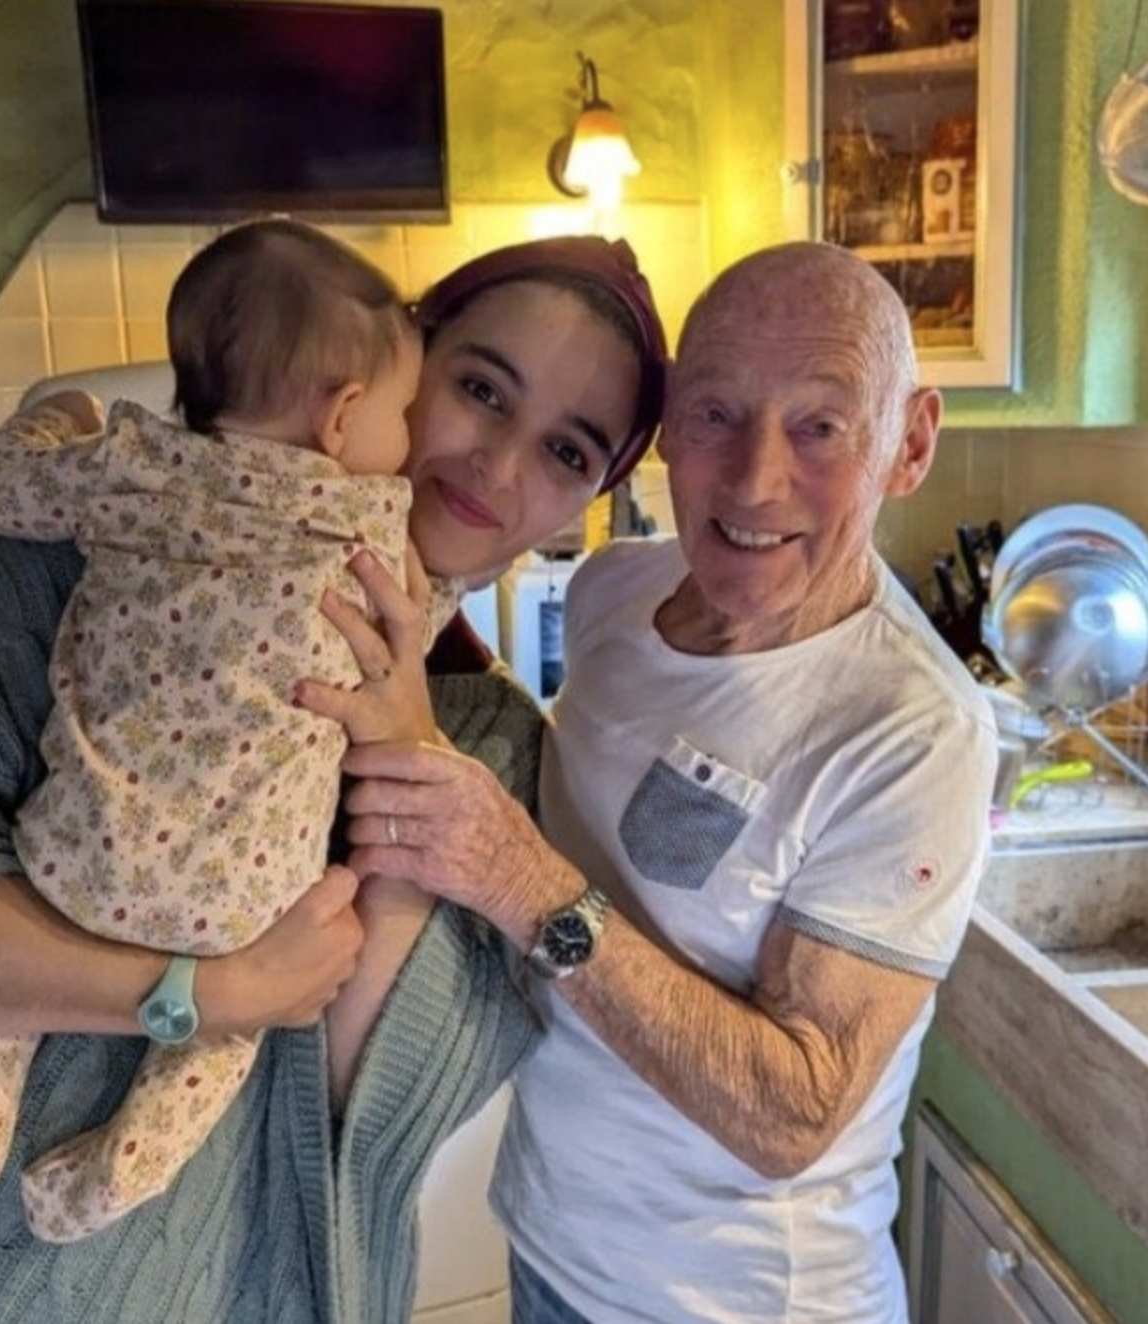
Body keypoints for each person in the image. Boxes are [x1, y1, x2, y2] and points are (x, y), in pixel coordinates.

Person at [0, 234, 667, 1324]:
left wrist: (406, 761)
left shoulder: (493, 751)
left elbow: (357, 1111)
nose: (499, 464)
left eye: (567, 451)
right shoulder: (103, 553)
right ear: (384, 375)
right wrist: (202, 995)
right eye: (481, 389)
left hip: (191, 1280)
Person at [332, 242, 999, 1324]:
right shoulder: (613, 592)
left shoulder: (913, 731)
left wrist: (518, 878)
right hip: (550, 1249)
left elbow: (792, 1114)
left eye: (820, 427)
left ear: (909, 442)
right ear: (668, 430)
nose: (753, 480)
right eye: (714, 414)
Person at [0, 219, 455, 1247]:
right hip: (246, 903)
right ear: (341, 417)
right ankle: (113, 1175)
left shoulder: (129, 467)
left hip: (80, 858)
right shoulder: (368, 525)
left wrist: (59, 415)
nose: (409, 437)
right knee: (220, 1045)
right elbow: (411, 626)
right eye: (404, 410)